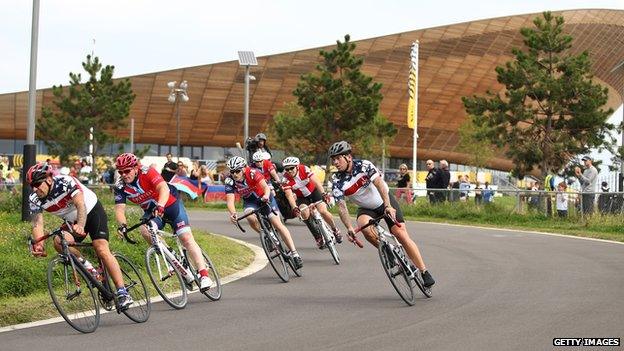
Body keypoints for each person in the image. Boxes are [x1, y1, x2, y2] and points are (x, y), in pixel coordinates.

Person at [328, 141, 435, 288]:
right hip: (366, 208)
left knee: (400, 234)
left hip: (384, 201)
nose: (335, 162)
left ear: (348, 157)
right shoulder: (336, 180)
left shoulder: (364, 166)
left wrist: (388, 206)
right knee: (364, 228)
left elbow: (379, 184)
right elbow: (341, 206)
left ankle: (424, 271)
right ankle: (387, 251)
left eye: (338, 158)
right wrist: (349, 227)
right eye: (333, 159)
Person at [27, 162, 134, 310]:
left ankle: (123, 292)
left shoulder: (66, 182)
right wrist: (39, 244)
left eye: (37, 184)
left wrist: (81, 225)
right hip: (72, 221)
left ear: (49, 179)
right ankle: (90, 268)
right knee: (59, 242)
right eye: (31, 185)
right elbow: (37, 224)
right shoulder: (34, 198)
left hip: (92, 211)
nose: (34, 188)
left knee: (101, 248)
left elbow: (80, 205)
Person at [113, 153, 213, 291]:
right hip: (153, 211)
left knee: (186, 238)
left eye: (127, 171)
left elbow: (163, 188)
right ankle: (171, 255)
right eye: (121, 172)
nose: (124, 174)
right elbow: (119, 209)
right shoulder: (120, 186)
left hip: (170, 203)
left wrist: (160, 205)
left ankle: (204, 275)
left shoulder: (147, 172)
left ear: (136, 168)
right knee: (145, 230)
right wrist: (122, 226)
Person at [224, 156, 303, 269]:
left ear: (243, 168)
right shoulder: (230, 181)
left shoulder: (252, 173)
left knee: (277, 224)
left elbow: (266, 187)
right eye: (232, 172)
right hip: (250, 201)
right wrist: (233, 214)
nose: (235, 174)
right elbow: (230, 200)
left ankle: (294, 253)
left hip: (264, 197)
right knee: (250, 217)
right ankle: (267, 234)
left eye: (237, 171)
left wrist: (266, 196)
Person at [281, 156, 342, 249]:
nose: (289, 171)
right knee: (304, 214)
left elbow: (316, 182)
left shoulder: (304, 169)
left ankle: (335, 229)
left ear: (297, 166)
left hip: (314, 192)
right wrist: (294, 207)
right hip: (302, 197)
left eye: (291, 168)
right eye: (287, 169)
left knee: (323, 211)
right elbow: (289, 195)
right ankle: (318, 237)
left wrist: (323, 193)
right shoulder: (285, 179)